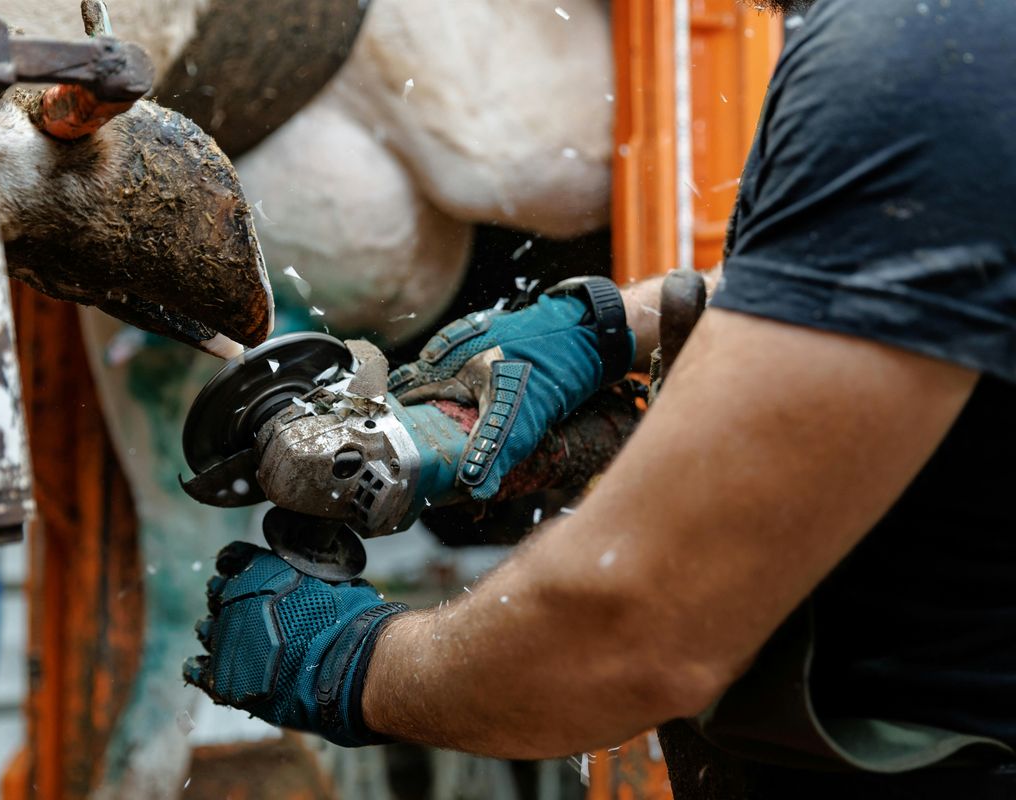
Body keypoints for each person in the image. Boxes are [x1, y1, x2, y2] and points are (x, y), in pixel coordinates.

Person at [184, 0, 1016, 796]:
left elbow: (637, 626)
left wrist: (351, 663)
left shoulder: (920, 48)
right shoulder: (948, 41)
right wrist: (608, 326)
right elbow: (896, 287)